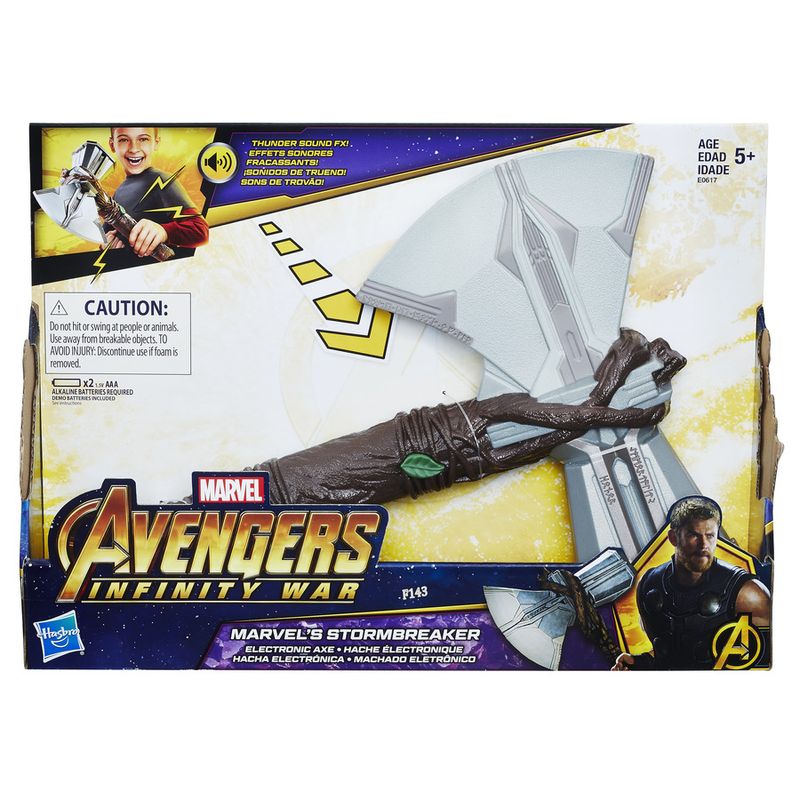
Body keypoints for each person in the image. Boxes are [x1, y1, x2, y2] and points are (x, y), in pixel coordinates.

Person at [613, 496, 770, 670]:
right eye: (693, 535)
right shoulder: (650, 585)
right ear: (673, 537)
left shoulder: (748, 594)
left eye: (710, 536)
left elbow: (762, 670)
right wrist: (639, 664)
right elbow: (670, 656)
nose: (703, 544)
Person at [104, 127, 209, 257]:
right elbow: (104, 237)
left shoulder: (161, 181)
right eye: (124, 140)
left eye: (143, 139)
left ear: (156, 143)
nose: (134, 149)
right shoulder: (118, 192)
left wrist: (163, 231)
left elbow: (200, 230)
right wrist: (107, 245)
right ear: (112, 145)